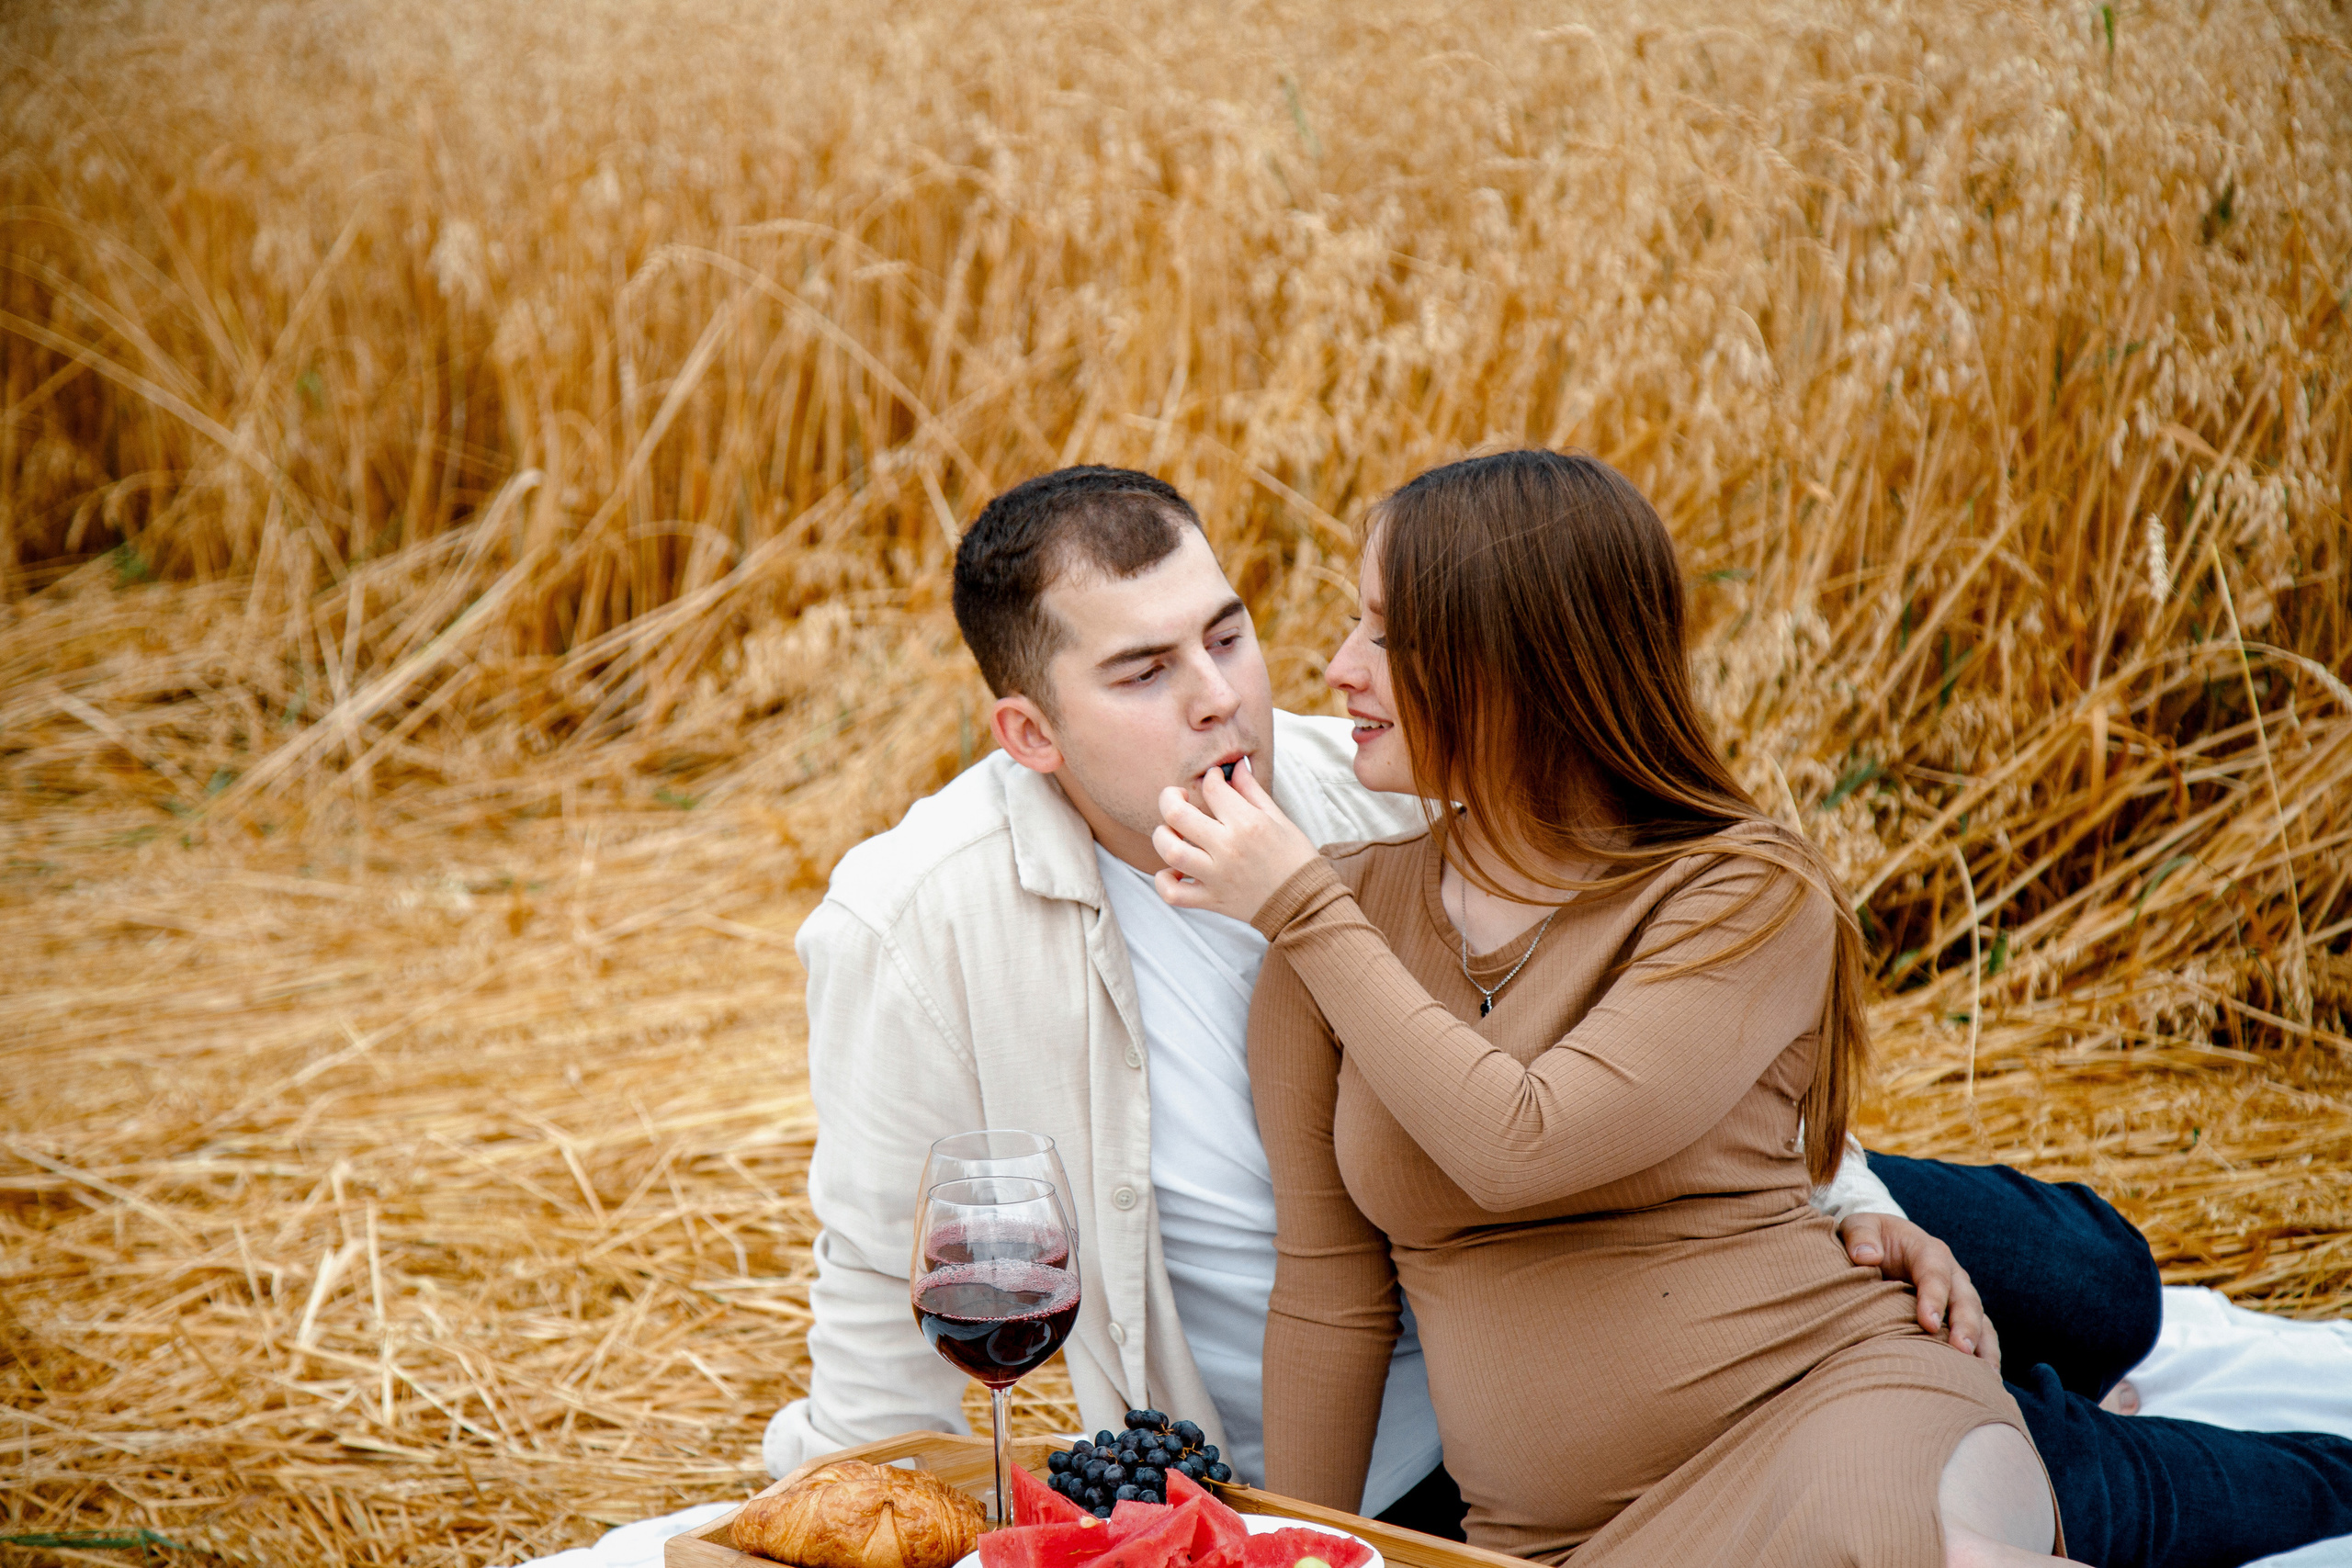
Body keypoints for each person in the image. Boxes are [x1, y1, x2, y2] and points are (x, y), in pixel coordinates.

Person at [770, 465, 2352, 1565]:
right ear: (1028, 732)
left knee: (2061, 1279)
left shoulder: (1359, 793)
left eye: (1233, 633)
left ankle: (2133, 1373)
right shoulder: (917, 930)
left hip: (1676, 1218)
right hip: (1473, 1389)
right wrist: (843, 1510)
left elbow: (1643, 1062)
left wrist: (1846, 1201)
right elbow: (887, 1284)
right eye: (1145, 672)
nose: (1231, 697)